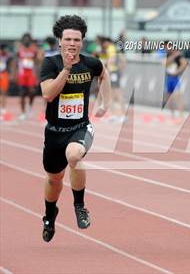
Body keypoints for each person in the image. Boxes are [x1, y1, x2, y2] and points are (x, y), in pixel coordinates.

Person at [39, 15, 111, 242]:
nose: (72, 43)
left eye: (77, 39)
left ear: (83, 41)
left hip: (80, 126)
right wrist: (66, 69)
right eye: (68, 39)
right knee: (54, 179)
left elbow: (104, 73)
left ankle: (79, 206)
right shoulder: (50, 63)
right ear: (59, 41)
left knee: (75, 155)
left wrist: (105, 102)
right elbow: (48, 94)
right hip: (54, 132)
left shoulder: (90, 63)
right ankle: (50, 216)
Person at [16, 33, 41, 120]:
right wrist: (16, 73)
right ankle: (23, 113)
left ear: (30, 40)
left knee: (32, 92)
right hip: (22, 73)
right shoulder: (19, 49)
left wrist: (37, 76)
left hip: (31, 73)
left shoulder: (34, 49)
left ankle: (30, 105)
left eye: (28, 39)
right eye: (25, 39)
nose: (26, 40)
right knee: (22, 93)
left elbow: (37, 63)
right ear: (23, 40)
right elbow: (16, 62)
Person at [164, 42, 187, 122]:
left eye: (168, 47)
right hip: (169, 78)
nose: (166, 49)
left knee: (178, 97)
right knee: (169, 99)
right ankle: (172, 116)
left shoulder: (179, 56)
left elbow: (184, 63)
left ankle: (181, 116)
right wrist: (174, 55)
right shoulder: (169, 55)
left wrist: (177, 72)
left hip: (176, 79)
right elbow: (165, 64)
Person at [0, 44, 12, 119]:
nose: (6, 51)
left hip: (4, 74)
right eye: (5, 49)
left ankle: (3, 108)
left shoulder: (7, 55)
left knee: (4, 92)